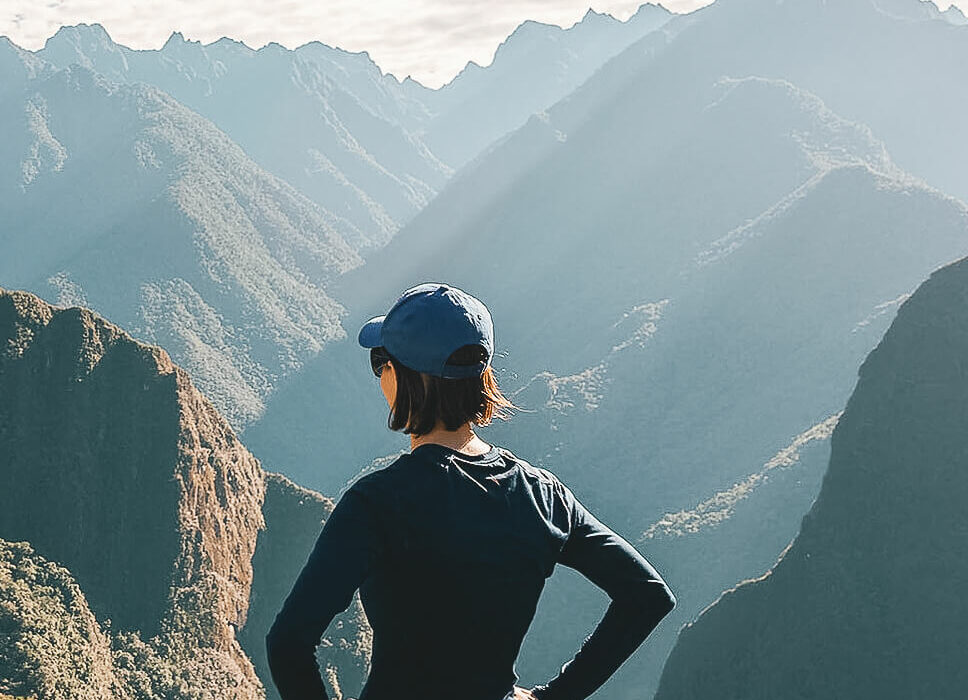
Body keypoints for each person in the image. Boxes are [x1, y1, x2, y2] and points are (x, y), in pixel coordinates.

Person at [266, 283, 675, 700]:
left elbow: (288, 643)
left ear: (407, 377)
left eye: (380, 361)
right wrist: (555, 696)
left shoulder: (378, 503)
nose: (379, 374)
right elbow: (646, 594)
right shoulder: (541, 494)